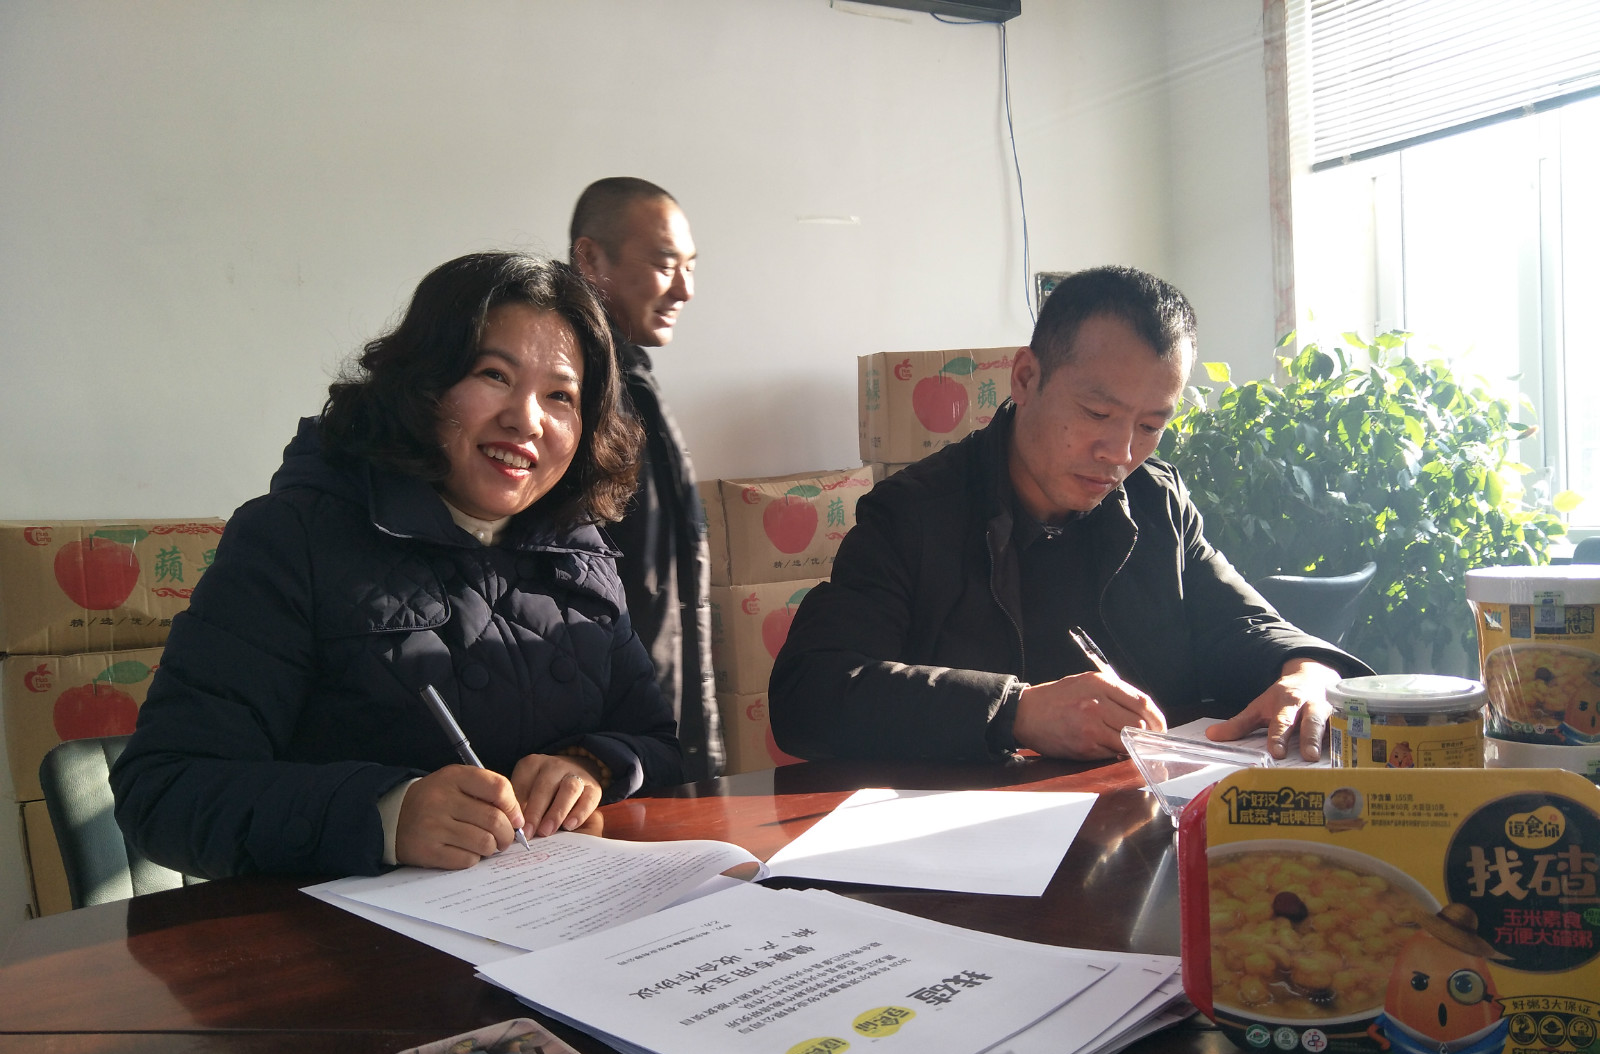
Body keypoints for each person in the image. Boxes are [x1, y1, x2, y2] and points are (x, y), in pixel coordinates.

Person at [113, 253, 683, 879]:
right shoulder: (292, 539)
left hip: (550, 907)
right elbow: (164, 792)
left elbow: (656, 743)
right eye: (494, 375)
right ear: (424, 383)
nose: (527, 419)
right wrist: (387, 814)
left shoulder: (580, 552)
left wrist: (589, 764)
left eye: (560, 396)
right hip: (346, 931)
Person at [769, 265, 1370, 764]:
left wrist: (1308, 671)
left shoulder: (1155, 501)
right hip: (970, 843)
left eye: (1150, 425)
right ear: (1026, 378)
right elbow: (811, 694)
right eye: (1096, 413)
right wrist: (1015, 711)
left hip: (1139, 822)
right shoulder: (913, 515)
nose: (1121, 452)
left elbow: (1241, 623)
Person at [569, 177, 724, 783]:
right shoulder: (574, 395)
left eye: (690, 266)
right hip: (596, 755)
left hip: (642, 737)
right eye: (664, 264)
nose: (685, 288)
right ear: (589, 259)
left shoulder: (629, 382)